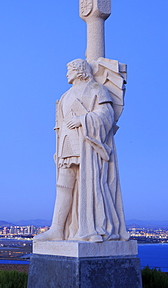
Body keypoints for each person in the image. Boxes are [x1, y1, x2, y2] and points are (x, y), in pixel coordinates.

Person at [34, 59, 129, 242]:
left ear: (79, 71)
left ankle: (91, 228)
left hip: (87, 145)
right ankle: (57, 229)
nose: (66, 74)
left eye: (69, 70)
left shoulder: (96, 89)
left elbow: (106, 116)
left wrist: (83, 119)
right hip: (67, 146)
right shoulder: (65, 96)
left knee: (89, 185)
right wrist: (58, 150)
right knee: (63, 186)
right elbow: (60, 126)